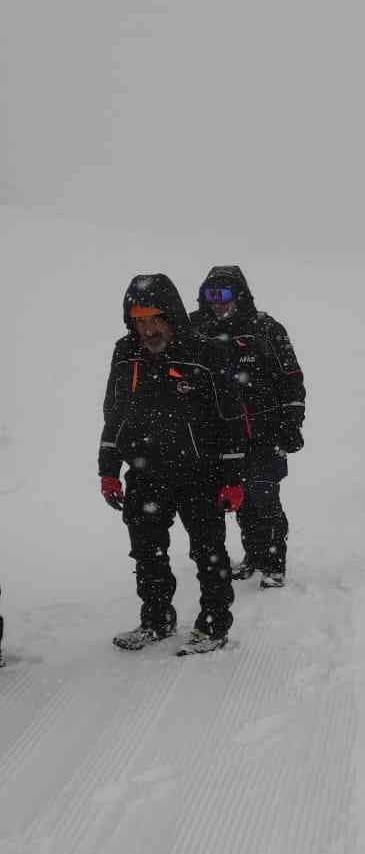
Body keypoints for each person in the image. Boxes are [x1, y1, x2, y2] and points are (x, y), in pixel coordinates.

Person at [99, 274, 245, 655]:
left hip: (200, 473)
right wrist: (108, 470)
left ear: (173, 316)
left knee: (208, 552)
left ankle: (213, 626)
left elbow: (231, 419)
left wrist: (234, 478)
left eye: (154, 319)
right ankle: (156, 620)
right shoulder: (125, 353)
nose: (147, 329)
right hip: (145, 473)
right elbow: (113, 415)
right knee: (147, 552)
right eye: (139, 321)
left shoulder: (206, 353)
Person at [191, 265, 306, 588]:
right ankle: (253, 554)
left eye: (224, 294)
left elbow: (292, 379)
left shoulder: (266, 329)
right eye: (211, 295)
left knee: (265, 495)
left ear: (239, 295)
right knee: (238, 498)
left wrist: (292, 422)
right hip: (220, 436)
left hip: (265, 430)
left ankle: (273, 561)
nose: (218, 303)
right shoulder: (196, 330)